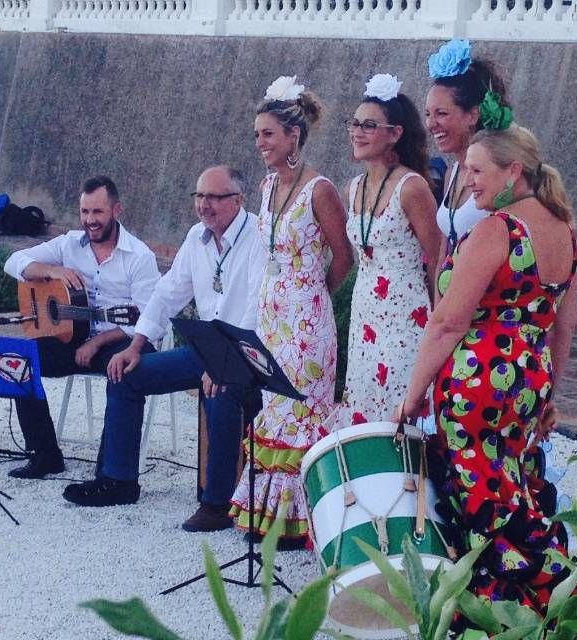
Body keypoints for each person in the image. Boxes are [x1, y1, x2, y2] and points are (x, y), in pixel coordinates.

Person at [395, 124, 577, 618]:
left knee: (480, 498)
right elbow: (565, 327)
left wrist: (412, 395)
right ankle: (546, 603)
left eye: (478, 170)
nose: (469, 180)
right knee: (513, 485)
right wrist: (548, 395)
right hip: (528, 380)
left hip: (477, 382)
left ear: (513, 170)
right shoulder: (564, 227)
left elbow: (448, 322)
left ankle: (495, 614)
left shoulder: (497, 229)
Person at [63, 166, 265, 534]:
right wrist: (137, 345)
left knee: (221, 391)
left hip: (247, 350)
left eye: (214, 198)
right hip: (208, 348)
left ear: (238, 200)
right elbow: (168, 292)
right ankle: (119, 481)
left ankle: (218, 503)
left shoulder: (258, 237)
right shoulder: (196, 237)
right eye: (199, 196)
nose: (204, 205)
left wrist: (222, 363)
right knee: (126, 375)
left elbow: (256, 309)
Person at [228, 76, 353, 547]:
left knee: (299, 408)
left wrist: (315, 294)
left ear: (293, 136)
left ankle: (300, 516)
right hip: (272, 311)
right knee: (272, 404)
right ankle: (265, 513)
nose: (260, 142)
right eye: (257, 134)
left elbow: (343, 254)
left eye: (268, 134)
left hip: (306, 318)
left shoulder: (319, 189)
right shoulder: (266, 186)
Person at [2, 176, 161, 479]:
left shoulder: (140, 257)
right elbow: (14, 261)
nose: (90, 220)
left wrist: (97, 343)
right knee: (20, 362)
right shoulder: (69, 244)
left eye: (97, 212)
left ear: (117, 210)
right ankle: (45, 454)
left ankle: (110, 466)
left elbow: (148, 319)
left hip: (121, 337)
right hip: (72, 335)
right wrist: (51, 269)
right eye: (85, 212)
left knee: (121, 369)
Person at [336, 74, 440, 426]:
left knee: (398, 402)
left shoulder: (411, 187)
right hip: (365, 311)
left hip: (405, 313)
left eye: (369, 125)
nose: (357, 132)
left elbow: (437, 256)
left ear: (395, 133)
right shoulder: (353, 188)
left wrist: (440, 317)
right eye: (354, 124)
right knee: (364, 399)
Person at [425, 39, 512, 285]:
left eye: (441, 113)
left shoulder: (500, 174)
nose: (431, 124)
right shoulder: (452, 172)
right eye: (428, 114)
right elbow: (443, 253)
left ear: (472, 115)